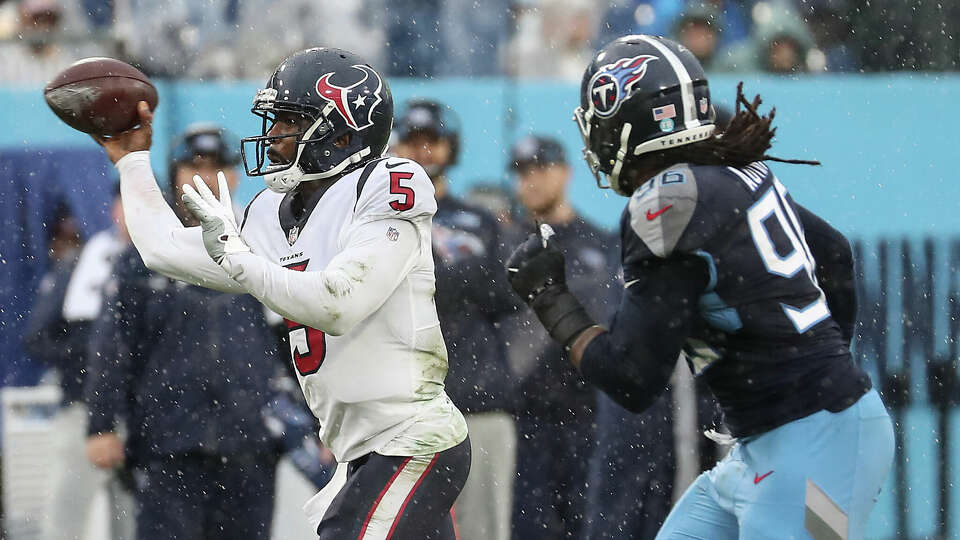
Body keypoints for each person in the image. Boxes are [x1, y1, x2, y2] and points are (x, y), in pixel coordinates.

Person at [505, 35, 893, 539]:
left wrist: (551, 300)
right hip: (781, 441)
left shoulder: (666, 204)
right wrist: (820, 371)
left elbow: (632, 379)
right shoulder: (733, 172)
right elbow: (835, 254)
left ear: (624, 122)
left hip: (814, 450)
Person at [91, 48, 469, 539]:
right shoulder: (271, 212)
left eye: (289, 121)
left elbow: (340, 303)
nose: (272, 136)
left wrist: (240, 259)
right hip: (362, 454)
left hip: (413, 442)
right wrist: (134, 162)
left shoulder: (389, 182)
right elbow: (162, 250)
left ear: (341, 131)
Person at [84, 124, 283, 540]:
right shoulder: (144, 257)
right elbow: (113, 348)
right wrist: (100, 424)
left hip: (249, 441)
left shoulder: (264, 247)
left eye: (217, 167)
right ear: (174, 177)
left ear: (235, 176)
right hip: (167, 443)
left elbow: (296, 341)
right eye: (194, 167)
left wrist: (322, 421)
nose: (205, 178)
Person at [392, 99, 520, 540]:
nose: (422, 152)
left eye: (433, 142)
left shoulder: (479, 219)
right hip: (402, 408)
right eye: (412, 141)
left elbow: (505, 298)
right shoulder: (378, 221)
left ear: (451, 148)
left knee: (484, 530)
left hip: (477, 399)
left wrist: (439, 275)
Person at [504, 135, 620, 539]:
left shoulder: (599, 243)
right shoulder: (505, 245)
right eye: (522, 171)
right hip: (524, 416)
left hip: (585, 413)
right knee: (528, 528)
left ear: (566, 172)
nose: (531, 179)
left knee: (588, 525)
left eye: (540, 167)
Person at [23, 194, 135, 540]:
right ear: (114, 207)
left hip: (143, 418)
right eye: (126, 204)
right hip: (82, 411)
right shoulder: (80, 262)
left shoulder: (165, 264)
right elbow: (37, 336)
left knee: (136, 524)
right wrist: (91, 361)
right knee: (65, 520)